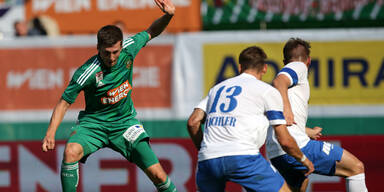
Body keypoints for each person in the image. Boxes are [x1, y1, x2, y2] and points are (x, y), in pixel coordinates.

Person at [41, 0, 177, 191]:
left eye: (115, 52)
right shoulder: (87, 72)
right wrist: (50, 132)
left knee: (159, 175)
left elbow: (151, 31)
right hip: (94, 125)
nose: (112, 58)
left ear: (121, 46)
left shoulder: (130, 48)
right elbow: (64, 102)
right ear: (98, 47)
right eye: (107, 53)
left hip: (125, 124)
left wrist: (168, 15)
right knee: (70, 152)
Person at [187, 46, 314, 192]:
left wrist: (205, 151)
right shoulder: (267, 91)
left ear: (240, 67)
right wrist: (304, 160)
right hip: (243, 157)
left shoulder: (217, 89)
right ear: (265, 68)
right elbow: (284, 140)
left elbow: (193, 122)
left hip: (208, 159)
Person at [266, 38, 368, 192]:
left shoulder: (280, 92)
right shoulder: (298, 66)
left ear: (283, 60)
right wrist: (287, 108)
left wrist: (307, 131)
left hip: (276, 153)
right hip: (295, 146)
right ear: (309, 60)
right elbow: (279, 81)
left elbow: (282, 120)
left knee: (301, 185)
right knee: (356, 168)